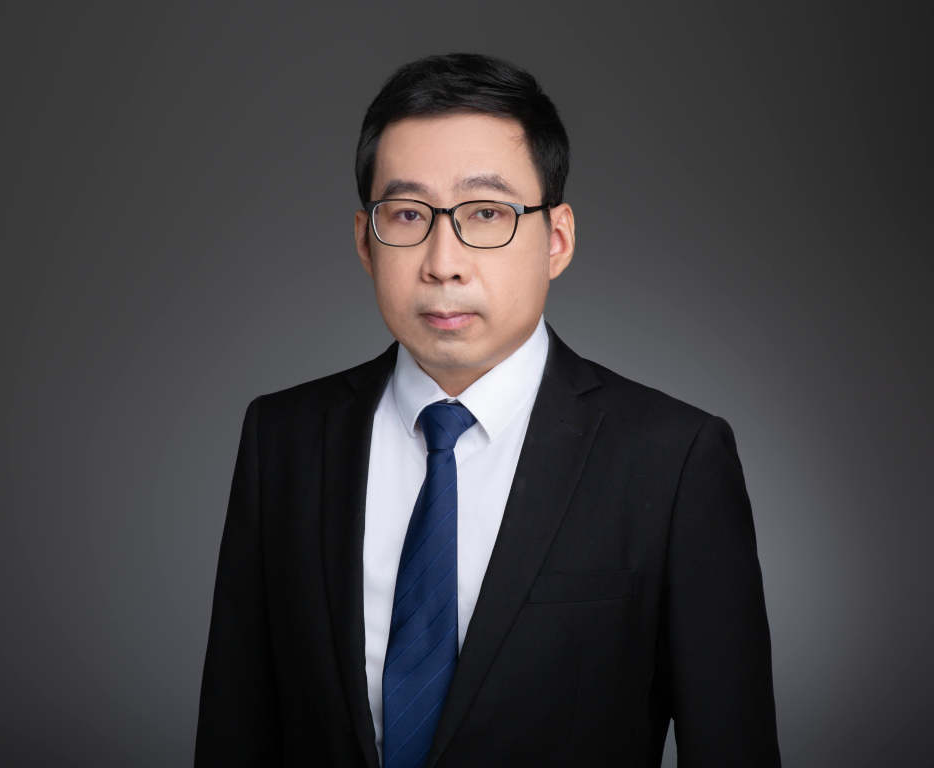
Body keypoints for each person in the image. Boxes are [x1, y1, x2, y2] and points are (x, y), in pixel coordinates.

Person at [195, 52, 781, 767]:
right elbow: (234, 730)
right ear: (365, 241)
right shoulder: (283, 439)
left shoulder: (674, 457)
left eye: (485, 214)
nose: (443, 261)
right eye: (407, 215)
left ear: (557, 239)